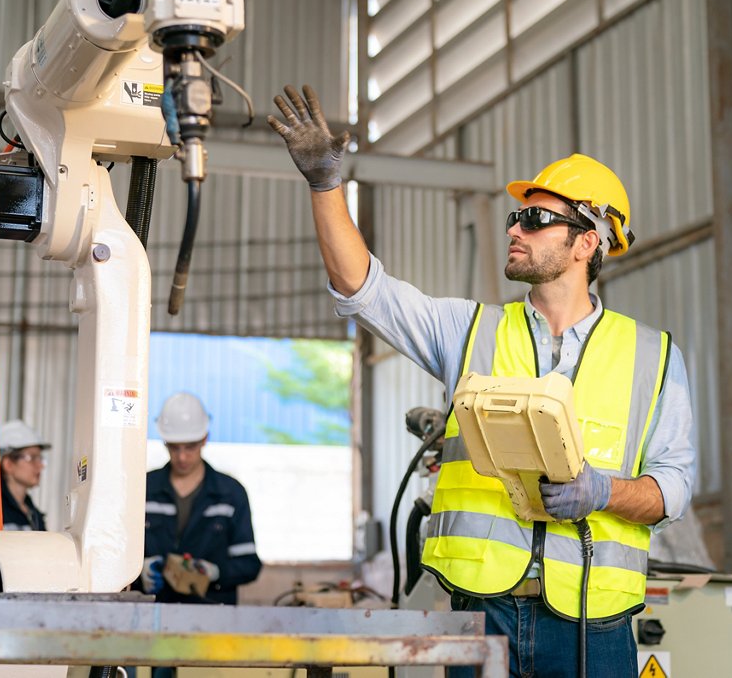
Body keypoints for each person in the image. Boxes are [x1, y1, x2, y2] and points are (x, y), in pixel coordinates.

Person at [268, 84, 696, 678]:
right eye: (517, 216)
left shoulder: (654, 355)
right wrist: (325, 185)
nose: (515, 229)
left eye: (538, 219)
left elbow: (672, 489)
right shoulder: (467, 330)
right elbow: (362, 288)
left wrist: (604, 493)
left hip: (594, 623)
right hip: (481, 614)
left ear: (588, 242)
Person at [139, 392, 262, 611]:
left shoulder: (230, 494)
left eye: (190, 447)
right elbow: (114, 555)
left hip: (213, 618)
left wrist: (216, 572)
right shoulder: (143, 489)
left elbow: (249, 564)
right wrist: (139, 571)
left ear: (205, 438)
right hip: (155, 615)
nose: (182, 457)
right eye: (174, 447)